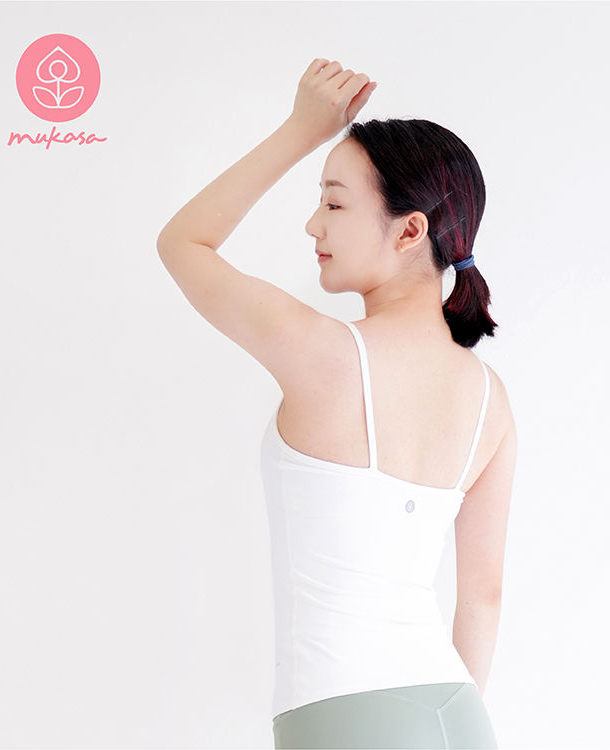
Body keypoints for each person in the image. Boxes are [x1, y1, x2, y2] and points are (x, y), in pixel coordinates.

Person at [157, 58, 517, 750]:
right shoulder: (488, 398)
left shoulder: (322, 353)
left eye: (334, 203)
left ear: (409, 231)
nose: (312, 224)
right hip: (458, 711)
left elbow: (182, 242)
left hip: (344, 712)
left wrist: (302, 130)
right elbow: (484, 595)